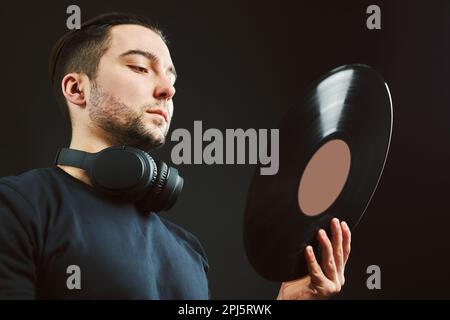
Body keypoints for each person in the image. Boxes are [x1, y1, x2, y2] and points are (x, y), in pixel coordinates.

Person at [0, 12, 351, 300]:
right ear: (77, 89)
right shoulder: (17, 206)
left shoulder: (188, 250)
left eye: (171, 79)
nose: (167, 90)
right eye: (140, 68)